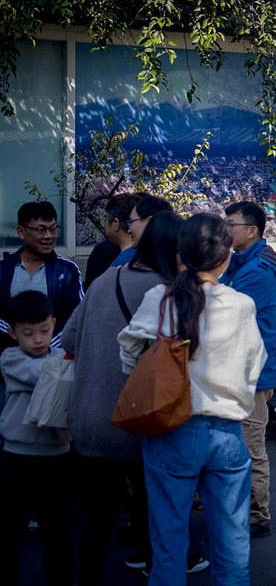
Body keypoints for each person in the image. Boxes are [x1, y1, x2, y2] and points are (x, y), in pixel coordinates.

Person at [62, 212, 210, 582]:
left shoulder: (104, 280)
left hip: (89, 418)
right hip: (139, 419)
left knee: (99, 516)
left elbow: (67, 340)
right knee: (158, 511)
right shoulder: (167, 291)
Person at [119, 213, 266, 584]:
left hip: (171, 430)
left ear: (180, 253)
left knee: (167, 549)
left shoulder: (162, 298)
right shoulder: (241, 305)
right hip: (228, 432)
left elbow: (127, 348)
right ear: (226, 256)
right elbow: (255, 364)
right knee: (233, 552)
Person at [221, 200, 276, 539]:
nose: (226, 229)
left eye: (231, 223)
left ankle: (257, 515)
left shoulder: (255, 272)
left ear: (252, 230)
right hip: (245, 374)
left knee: (250, 448)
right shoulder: (241, 264)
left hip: (252, 375)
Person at [0, 291, 73, 586]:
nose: (38, 340)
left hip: (58, 455)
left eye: (44, 330)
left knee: (57, 531)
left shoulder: (60, 357)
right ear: (12, 333)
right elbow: (42, 374)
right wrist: (73, 366)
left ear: (54, 323)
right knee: (11, 530)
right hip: (19, 456)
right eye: (28, 333)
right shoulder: (10, 357)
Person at [0, 201, 83, 361]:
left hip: (52, 364)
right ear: (21, 232)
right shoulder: (4, 270)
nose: (49, 236)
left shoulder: (67, 271)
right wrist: (18, 338)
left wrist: (45, 345)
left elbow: (76, 316)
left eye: (53, 229)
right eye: (40, 230)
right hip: (7, 365)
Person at [84, 193, 141, 290]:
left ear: (115, 223)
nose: (104, 223)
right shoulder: (152, 254)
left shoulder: (105, 255)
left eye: (105, 219)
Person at [109, 194, 174, 268]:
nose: (129, 230)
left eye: (131, 222)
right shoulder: (175, 262)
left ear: (149, 221)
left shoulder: (125, 264)